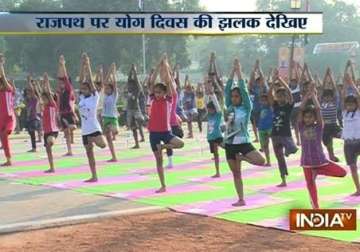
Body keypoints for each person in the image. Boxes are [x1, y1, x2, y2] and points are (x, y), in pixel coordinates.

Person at [298, 83, 346, 208]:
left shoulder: (319, 127)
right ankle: (316, 208)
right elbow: (301, 109)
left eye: (310, 117)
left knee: (342, 173)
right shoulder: (301, 127)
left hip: (320, 160)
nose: (307, 119)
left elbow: (318, 110)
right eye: (306, 117)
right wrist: (306, 96)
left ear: (314, 118)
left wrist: (313, 96)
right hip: (306, 161)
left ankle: (318, 171)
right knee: (310, 185)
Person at [224, 59, 265, 207]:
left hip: (243, 143)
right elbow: (227, 88)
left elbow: (244, 89)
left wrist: (239, 71)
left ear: (241, 97)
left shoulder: (246, 108)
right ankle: (241, 199)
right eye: (233, 96)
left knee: (261, 161)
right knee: (236, 174)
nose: (234, 98)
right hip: (229, 144)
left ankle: (242, 159)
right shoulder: (229, 106)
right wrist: (232, 71)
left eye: (237, 96)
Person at [147, 55, 184, 193]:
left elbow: (168, 83)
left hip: (166, 132)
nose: (157, 94)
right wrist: (158, 66)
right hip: (154, 133)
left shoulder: (168, 100)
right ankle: (163, 185)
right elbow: (151, 82)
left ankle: (163, 146)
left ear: (164, 93)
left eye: (159, 92)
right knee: (159, 161)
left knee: (180, 143)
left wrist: (166, 67)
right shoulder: (153, 99)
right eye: (155, 92)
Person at [78, 53, 106, 182]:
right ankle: (94, 176)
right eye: (82, 89)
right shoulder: (82, 98)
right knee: (89, 154)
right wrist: (82, 65)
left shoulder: (94, 97)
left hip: (94, 128)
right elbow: (81, 80)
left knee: (102, 145)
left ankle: (96, 139)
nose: (83, 90)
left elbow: (90, 81)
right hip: (85, 130)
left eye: (85, 88)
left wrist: (88, 65)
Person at [268, 69, 298, 187]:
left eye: (282, 96)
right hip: (275, 135)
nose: (280, 98)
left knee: (293, 149)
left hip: (285, 135)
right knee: (279, 158)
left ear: (285, 97)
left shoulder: (288, 106)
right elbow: (270, 95)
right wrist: (273, 82)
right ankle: (283, 179)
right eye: (278, 96)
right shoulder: (275, 105)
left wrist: (280, 80)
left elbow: (290, 93)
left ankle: (288, 150)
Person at [342, 63, 360, 196]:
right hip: (348, 144)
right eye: (347, 104)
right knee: (353, 167)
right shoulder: (344, 113)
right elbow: (343, 95)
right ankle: (358, 189)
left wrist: (352, 84)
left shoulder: (358, 112)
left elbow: (358, 96)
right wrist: (345, 81)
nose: (349, 105)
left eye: (352, 103)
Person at [320, 67, 342, 162]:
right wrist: (325, 75)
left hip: (334, 125)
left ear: (332, 97)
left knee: (346, 136)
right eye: (326, 97)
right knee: (328, 144)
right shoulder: (321, 103)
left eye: (329, 97)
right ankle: (331, 156)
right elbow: (321, 89)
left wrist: (330, 76)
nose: (327, 98)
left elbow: (335, 90)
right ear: (323, 98)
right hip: (325, 127)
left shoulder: (334, 103)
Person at [165, 64, 184, 169]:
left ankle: (167, 148)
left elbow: (169, 82)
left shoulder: (175, 96)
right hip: (167, 124)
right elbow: (167, 82)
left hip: (174, 123)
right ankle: (170, 160)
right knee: (168, 141)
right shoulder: (166, 98)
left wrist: (168, 68)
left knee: (180, 137)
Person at [57, 55, 76, 156]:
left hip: (69, 113)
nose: (61, 84)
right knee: (66, 133)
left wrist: (63, 64)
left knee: (72, 127)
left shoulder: (69, 90)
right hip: (62, 113)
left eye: (63, 83)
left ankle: (72, 125)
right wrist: (59, 65)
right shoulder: (60, 91)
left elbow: (64, 76)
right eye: (60, 83)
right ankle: (69, 150)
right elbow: (60, 77)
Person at [41, 72, 59, 173]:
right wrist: (43, 83)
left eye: (45, 99)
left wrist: (46, 82)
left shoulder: (53, 105)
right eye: (43, 99)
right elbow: (43, 93)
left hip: (53, 130)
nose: (43, 100)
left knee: (50, 142)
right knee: (48, 149)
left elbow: (47, 92)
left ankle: (52, 140)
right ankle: (52, 167)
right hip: (46, 131)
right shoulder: (45, 107)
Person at [205, 80, 224, 178]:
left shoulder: (217, 115)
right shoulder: (208, 116)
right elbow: (206, 103)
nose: (209, 111)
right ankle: (217, 172)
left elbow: (216, 105)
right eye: (208, 109)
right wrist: (207, 92)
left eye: (211, 109)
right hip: (211, 138)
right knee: (216, 155)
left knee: (228, 148)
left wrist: (212, 94)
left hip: (218, 137)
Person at [0, 54, 15, 166]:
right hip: (1, 119)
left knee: (5, 135)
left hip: (9, 118)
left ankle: (9, 159)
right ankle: (8, 160)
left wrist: (1, 65)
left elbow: (3, 77)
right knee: (3, 138)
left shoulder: (9, 89)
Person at [102, 63, 119, 162]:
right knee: (108, 139)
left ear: (112, 90)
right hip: (105, 118)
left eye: (108, 88)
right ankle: (114, 156)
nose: (106, 89)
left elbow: (115, 83)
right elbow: (105, 83)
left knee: (115, 131)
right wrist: (109, 71)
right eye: (106, 89)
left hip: (112, 118)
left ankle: (115, 130)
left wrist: (113, 70)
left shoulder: (114, 96)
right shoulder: (105, 96)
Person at [126, 64, 145, 149]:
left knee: (140, 121)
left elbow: (136, 82)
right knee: (133, 127)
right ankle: (137, 143)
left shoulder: (136, 90)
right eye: (129, 85)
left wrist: (135, 72)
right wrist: (131, 70)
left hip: (136, 109)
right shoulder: (129, 90)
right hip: (130, 110)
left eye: (131, 85)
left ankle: (144, 120)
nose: (129, 86)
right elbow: (128, 79)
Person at [248, 59, 267, 143]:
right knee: (254, 124)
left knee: (261, 125)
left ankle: (263, 138)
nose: (258, 82)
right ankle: (257, 138)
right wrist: (254, 68)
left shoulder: (264, 88)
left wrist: (259, 68)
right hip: (254, 109)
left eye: (259, 80)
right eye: (257, 81)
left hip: (261, 109)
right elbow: (251, 80)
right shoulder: (254, 88)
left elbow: (263, 78)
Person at [24, 76, 41, 152]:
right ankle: (34, 147)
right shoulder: (29, 100)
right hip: (29, 118)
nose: (28, 93)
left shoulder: (35, 98)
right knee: (31, 133)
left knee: (32, 131)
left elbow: (33, 90)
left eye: (29, 92)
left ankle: (34, 148)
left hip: (34, 118)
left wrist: (29, 82)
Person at [257, 93, 273, 166]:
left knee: (276, 143)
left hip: (270, 127)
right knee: (265, 146)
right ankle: (268, 161)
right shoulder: (259, 108)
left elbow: (271, 97)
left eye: (265, 100)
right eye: (261, 100)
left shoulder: (271, 107)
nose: (263, 102)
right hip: (261, 129)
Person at [289, 61, 302, 146]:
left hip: (299, 108)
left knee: (299, 124)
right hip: (292, 109)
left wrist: (296, 68)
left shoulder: (298, 87)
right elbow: (290, 77)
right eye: (292, 81)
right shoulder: (289, 89)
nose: (293, 82)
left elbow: (298, 78)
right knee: (295, 126)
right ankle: (298, 140)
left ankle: (300, 140)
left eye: (294, 81)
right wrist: (292, 68)